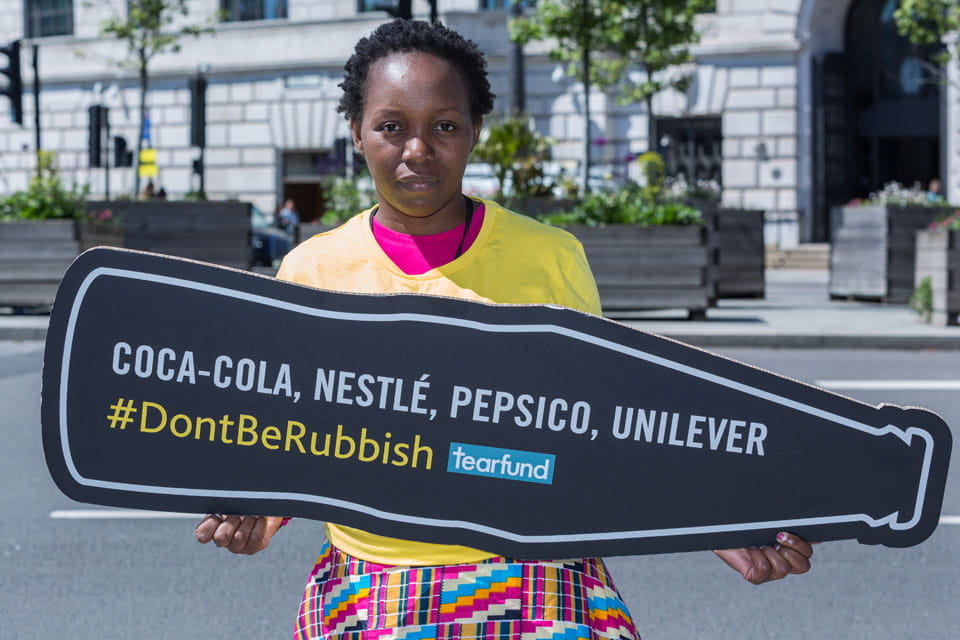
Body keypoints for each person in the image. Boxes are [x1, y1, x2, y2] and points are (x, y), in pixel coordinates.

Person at [195, 19, 813, 640]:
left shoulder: (549, 257)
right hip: (372, 587)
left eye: (444, 125)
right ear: (356, 131)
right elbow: (291, 436)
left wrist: (715, 522)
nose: (417, 150)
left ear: (475, 131)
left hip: (536, 575)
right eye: (391, 126)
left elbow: (608, 423)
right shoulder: (310, 269)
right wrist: (261, 515)